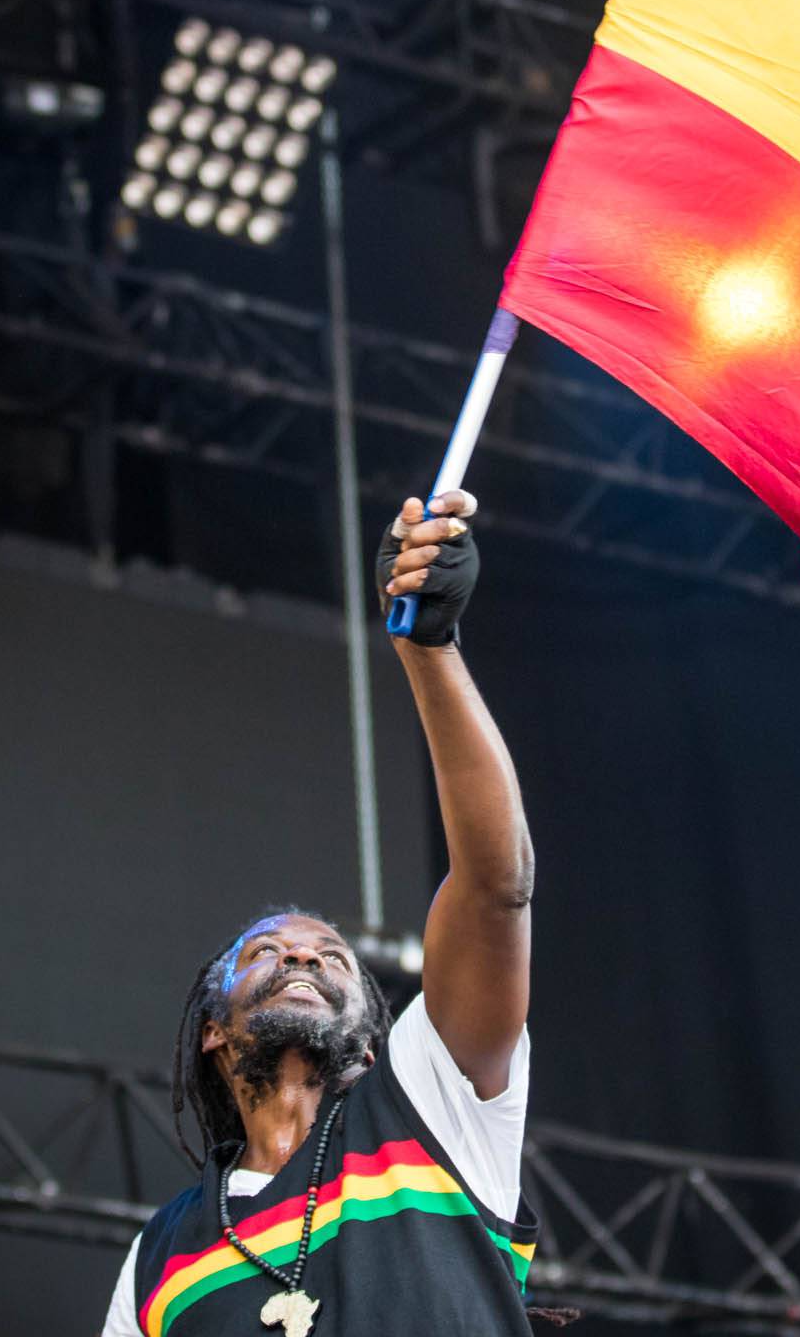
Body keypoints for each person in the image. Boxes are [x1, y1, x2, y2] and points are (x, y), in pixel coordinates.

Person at [101, 491, 549, 1337]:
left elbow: (497, 883)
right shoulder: (158, 1260)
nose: (304, 959)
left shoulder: (430, 1100)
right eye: (267, 953)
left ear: (375, 1040)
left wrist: (428, 648)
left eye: (333, 958)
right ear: (213, 1030)